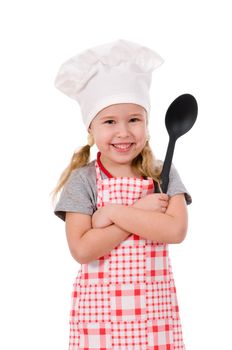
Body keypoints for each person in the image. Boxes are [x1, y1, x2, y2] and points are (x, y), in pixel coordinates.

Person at [52, 39, 192, 350]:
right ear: (92, 129)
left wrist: (114, 213)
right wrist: (142, 212)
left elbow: (175, 230)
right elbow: (83, 250)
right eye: (110, 121)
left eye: (134, 120)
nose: (124, 132)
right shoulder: (83, 179)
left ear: (147, 123)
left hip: (155, 314)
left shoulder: (161, 172)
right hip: (99, 316)